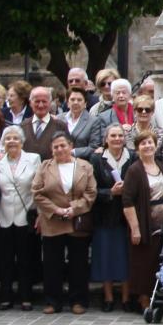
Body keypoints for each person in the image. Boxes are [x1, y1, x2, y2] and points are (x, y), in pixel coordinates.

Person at [31, 132, 96, 314]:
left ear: (70, 146)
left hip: (77, 220)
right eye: (55, 147)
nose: (59, 149)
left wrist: (74, 208)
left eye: (63, 145)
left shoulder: (85, 166)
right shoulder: (45, 167)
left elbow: (91, 193)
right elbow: (36, 192)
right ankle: (53, 301)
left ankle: (78, 301)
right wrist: (56, 210)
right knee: (52, 263)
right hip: (52, 221)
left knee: (78, 263)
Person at [121, 130, 163, 309]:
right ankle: (143, 299)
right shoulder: (135, 170)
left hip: (162, 223)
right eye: (143, 144)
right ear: (137, 148)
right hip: (144, 223)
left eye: (150, 142)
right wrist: (135, 228)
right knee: (143, 262)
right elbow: (127, 201)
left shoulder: (158, 164)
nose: (148, 146)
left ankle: (155, 295)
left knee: (156, 262)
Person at [0, 125, 41, 311]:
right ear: (3, 143)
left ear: (22, 141)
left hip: (25, 213)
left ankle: (26, 296)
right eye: (8, 138)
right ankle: (5, 296)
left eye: (15, 138)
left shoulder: (33, 159)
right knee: (4, 259)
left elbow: (38, 186)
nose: (11, 141)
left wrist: (37, 212)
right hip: (3, 214)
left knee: (25, 258)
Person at [89, 124, 133, 314]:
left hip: (127, 216)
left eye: (120, 135)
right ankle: (107, 297)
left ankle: (125, 297)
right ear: (106, 139)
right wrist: (110, 192)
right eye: (112, 136)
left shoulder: (133, 157)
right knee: (105, 257)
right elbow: (91, 190)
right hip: (104, 216)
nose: (116, 139)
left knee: (125, 257)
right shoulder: (97, 159)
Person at [20, 86, 68, 161]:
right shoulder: (22, 126)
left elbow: (66, 153)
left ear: (50, 103)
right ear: (30, 103)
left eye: (44, 101)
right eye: (37, 101)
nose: (41, 105)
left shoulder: (60, 126)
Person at [62, 87, 100, 159]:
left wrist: (72, 152)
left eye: (79, 100)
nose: (76, 102)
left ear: (85, 103)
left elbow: (94, 147)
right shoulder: (59, 118)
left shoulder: (93, 121)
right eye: (72, 99)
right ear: (67, 103)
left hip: (82, 163)